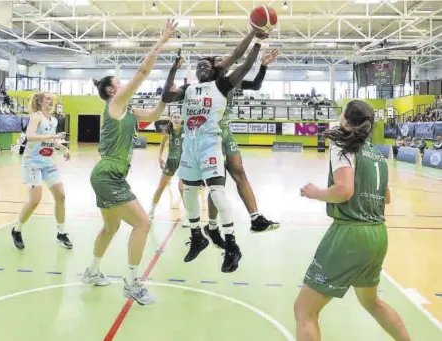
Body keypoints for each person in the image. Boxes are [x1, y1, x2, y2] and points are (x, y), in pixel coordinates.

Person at [80, 19, 178, 305]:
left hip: (109, 175)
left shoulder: (128, 109)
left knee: (110, 228)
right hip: (108, 174)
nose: (123, 86)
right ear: (112, 90)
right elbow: (143, 70)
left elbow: (152, 115)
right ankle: (133, 283)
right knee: (142, 224)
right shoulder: (115, 104)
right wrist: (162, 40)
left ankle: (92, 271)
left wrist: (165, 99)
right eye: (118, 84)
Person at [295, 100, 411, 341]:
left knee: (305, 310)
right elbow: (386, 197)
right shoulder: (376, 154)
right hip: (378, 234)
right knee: (372, 302)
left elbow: (344, 190)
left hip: (350, 235)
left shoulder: (341, 145)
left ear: (346, 120)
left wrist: (314, 192)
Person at [162, 28, 267, 273]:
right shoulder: (187, 89)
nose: (200, 68)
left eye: (205, 65)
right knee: (188, 192)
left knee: (217, 191)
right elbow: (167, 95)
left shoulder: (221, 84)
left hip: (210, 143)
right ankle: (197, 236)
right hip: (190, 144)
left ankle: (232, 245)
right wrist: (174, 68)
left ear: (213, 70)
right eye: (197, 66)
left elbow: (243, 61)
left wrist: (257, 41)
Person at [203, 50, 281, 248]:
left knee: (241, 174)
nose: (225, 61)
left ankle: (256, 219)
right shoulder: (207, 84)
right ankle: (212, 226)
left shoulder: (232, 81)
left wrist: (263, 66)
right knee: (217, 183)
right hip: (211, 136)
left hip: (226, 133)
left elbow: (255, 85)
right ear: (213, 67)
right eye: (219, 59)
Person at [11, 93, 72, 250]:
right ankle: (17, 230)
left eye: (52, 100)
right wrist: (53, 135)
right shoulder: (36, 117)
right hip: (32, 163)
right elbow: (30, 137)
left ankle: (61, 233)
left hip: (48, 162)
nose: (51, 102)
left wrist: (64, 148)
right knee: (35, 200)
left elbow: (52, 140)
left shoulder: (54, 120)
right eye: (47, 99)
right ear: (40, 102)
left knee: (61, 196)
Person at [149, 112, 184, 221]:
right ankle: (152, 210)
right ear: (171, 119)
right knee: (161, 187)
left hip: (184, 161)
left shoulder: (186, 129)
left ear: (181, 119)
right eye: (175, 117)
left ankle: (189, 214)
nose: (177, 119)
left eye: (178, 117)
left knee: (182, 188)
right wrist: (159, 157)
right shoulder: (167, 131)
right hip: (171, 161)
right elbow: (162, 145)